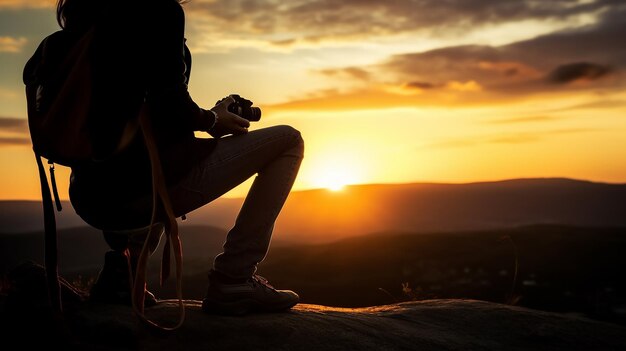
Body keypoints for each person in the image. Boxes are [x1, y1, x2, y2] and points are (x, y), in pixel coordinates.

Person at [54, 0, 304, 314]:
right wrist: (213, 121)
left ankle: (122, 275)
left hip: (90, 195)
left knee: (149, 159)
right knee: (289, 141)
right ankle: (234, 278)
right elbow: (170, 104)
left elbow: (140, 110)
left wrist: (209, 117)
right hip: (139, 193)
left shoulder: (88, 14)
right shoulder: (159, 10)